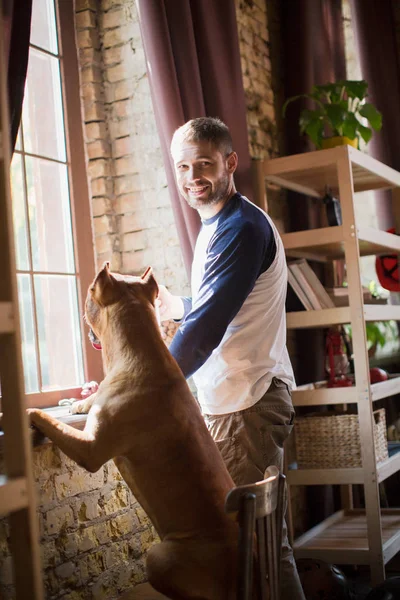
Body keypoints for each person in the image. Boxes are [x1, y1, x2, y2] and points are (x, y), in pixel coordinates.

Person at [157, 117, 305, 599]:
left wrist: (150, 384)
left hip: (246, 405)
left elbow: (206, 330)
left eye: (203, 163)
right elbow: (213, 306)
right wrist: (171, 306)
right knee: (264, 544)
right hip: (242, 400)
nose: (192, 176)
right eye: (183, 166)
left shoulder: (240, 226)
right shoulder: (218, 225)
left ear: (230, 163)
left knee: (251, 547)